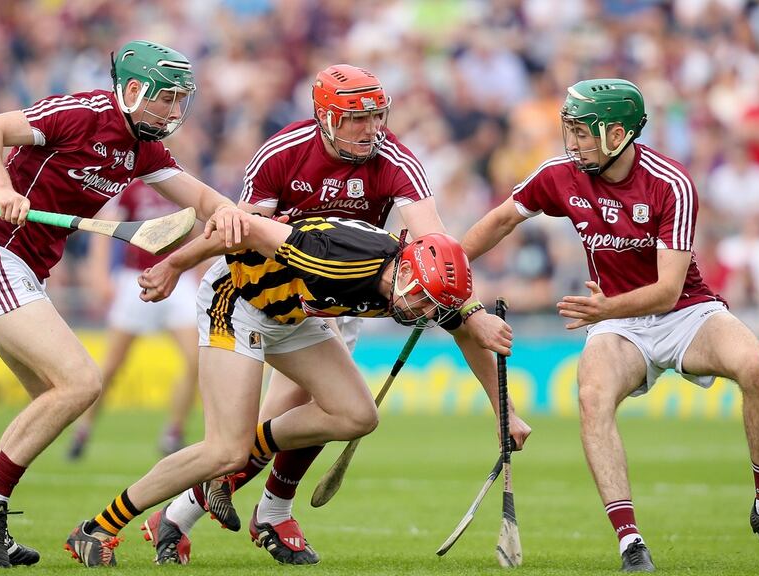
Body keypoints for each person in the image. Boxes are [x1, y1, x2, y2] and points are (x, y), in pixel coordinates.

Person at [135, 64, 530, 565]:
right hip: (267, 294)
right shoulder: (283, 153)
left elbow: (433, 246)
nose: (371, 130)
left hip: (344, 295)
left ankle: (238, 514)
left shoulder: (396, 160)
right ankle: (205, 515)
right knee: (288, 420)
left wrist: (475, 335)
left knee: (318, 416)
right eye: (355, 119)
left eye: (377, 117)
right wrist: (175, 263)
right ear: (324, 117)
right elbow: (235, 230)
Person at [461, 78, 759, 572]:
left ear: (618, 133)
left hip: (684, 312)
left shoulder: (671, 183)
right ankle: (630, 541)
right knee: (592, 396)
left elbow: (668, 290)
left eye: (584, 132)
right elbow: (500, 220)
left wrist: (604, 310)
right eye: (572, 130)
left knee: (755, 365)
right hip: (619, 326)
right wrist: (448, 264)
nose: (573, 141)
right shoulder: (561, 175)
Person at [0, 40, 253, 568]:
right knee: (81, 382)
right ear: (132, 91)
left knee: (52, 398)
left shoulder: (142, 148)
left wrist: (228, 215)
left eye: (182, 101)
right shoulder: (82, 113)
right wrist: (1, 188)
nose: (175, 112)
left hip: (23, 268)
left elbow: (199, 198)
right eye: (166, 99)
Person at [65, 214, 523, 567]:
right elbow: (240, 227)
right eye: (424, 302)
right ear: (405, 275)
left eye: (434, 307)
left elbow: (466, 331)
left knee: (356, 416)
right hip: (238, 302)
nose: (426, 314)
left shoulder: (416, 284)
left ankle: (247, 453)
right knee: (224, 451)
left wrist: (507, 414)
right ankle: (96, 528)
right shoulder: (336, 254)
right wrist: (172, 266)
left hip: (295, 317)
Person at [67, 179, 203, 461]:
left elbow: (198, 230)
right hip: (135, 279)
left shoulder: (183, 181)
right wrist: (99, 276)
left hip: (177, 279)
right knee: (113, 365)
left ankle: (173, 432)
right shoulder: (130, 185)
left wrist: (199, 272)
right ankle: (84, 428)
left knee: (197, 359)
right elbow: (104, 230)